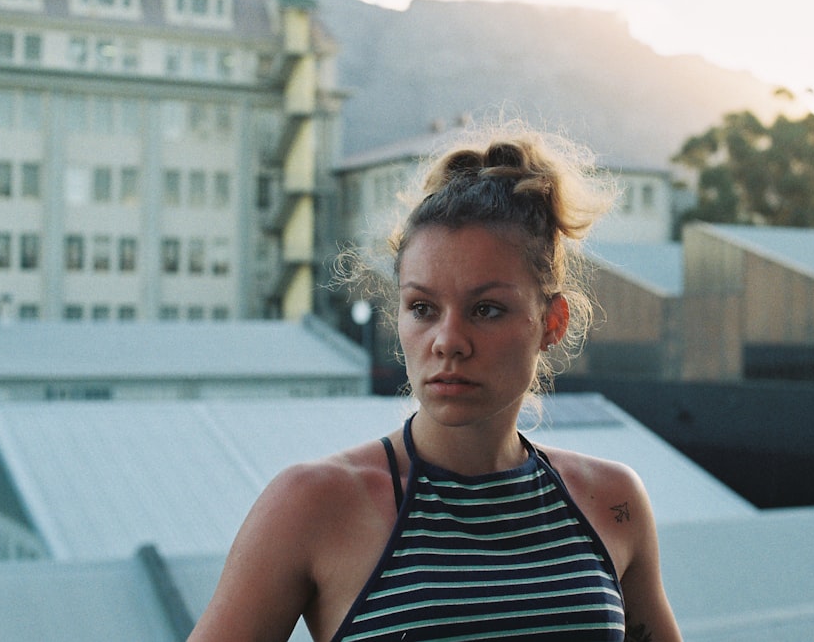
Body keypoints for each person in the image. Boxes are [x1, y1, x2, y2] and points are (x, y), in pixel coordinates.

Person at [189, 124, 682, 642]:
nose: (448, 341)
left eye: (486, 309)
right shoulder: (314, 504)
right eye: (423, 308)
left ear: (551, 323)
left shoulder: (611, 501)